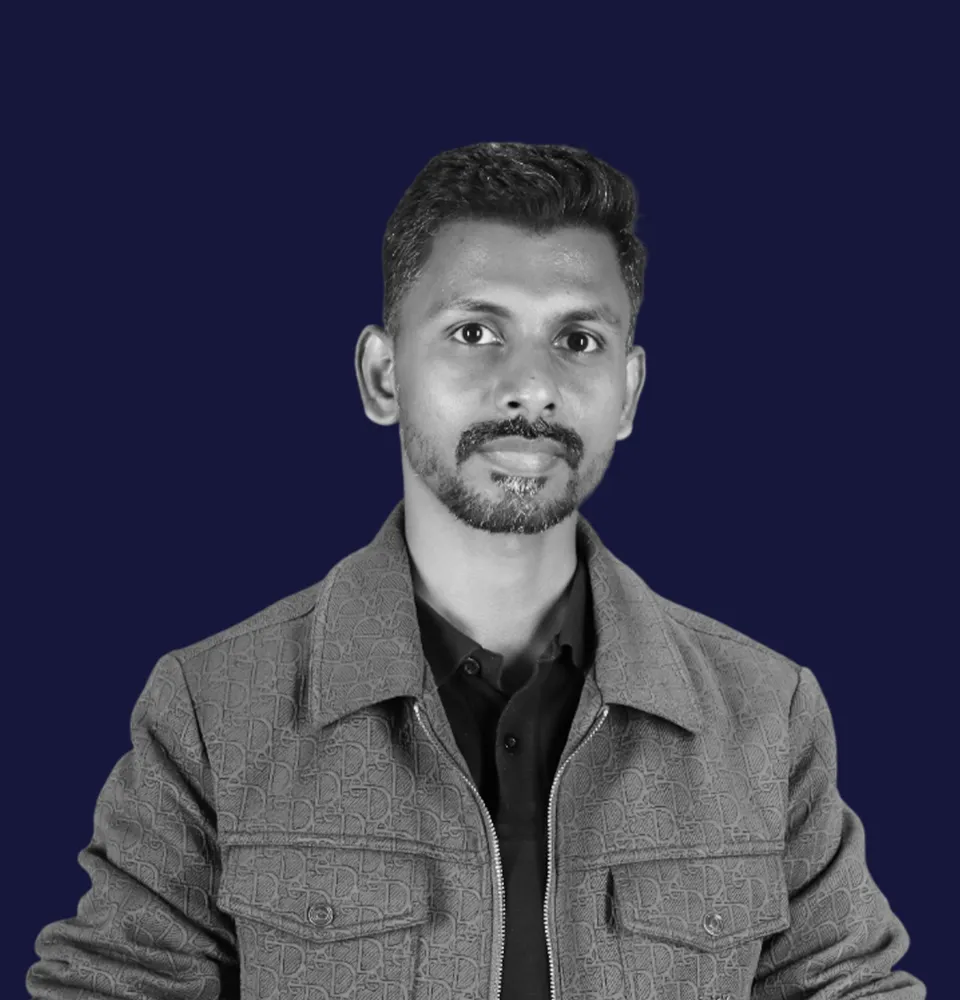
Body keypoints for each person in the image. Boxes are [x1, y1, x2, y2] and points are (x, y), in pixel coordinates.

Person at [27, 142, 924, 999]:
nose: (531, 387)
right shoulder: (212, 709)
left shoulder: (767, 716)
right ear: (384, 376)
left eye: (578, 341)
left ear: (630, 393)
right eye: (474, 330)